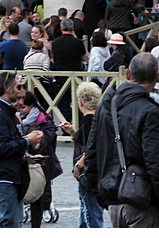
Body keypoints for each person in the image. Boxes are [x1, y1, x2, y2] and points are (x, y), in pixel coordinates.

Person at [82, 52, 159, 228]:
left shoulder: (105, 106)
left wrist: (104, 197)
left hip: (113, 198)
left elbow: (91, 153)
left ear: (127, 74)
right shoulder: (150, 112)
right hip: (141, 199)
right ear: (158, 77)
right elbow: (157, 164)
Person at [0, 72, 43, 228]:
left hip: (7, 174)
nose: (22, 91)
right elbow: (1, 148)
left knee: (5, 221)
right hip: (1, 175)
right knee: (10, 222)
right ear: (9, 89)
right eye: (19, 87)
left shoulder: (6, 113)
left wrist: (25, 151)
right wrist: (27, 140)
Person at [59, 81, 104, 228]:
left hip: (88, 174)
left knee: (91, 216)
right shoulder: (97, 119)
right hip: (95, 174)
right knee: (86, 215)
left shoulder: (89, 120)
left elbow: (91, 147)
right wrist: (73, 133)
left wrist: (79, 165)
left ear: (81, 102)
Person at [18, 89, 63, 228]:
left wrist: (36, 140)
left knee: (42, 187)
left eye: (23, 107)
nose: (21, 110)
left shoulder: (43, 118)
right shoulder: (17, 118)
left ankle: (44, 208)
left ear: (31, 106)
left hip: (42, 158)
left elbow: (50, 137)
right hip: (25, 158)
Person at [51, 18, 86, 120]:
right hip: (75, 75)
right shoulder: (78, 42)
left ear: (61, 28)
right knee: (77, 101)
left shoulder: (55, 42)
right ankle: (78, 124)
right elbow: (83, 58)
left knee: (63, 103)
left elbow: (53, 57)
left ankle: (66, 123)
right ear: (72, 28)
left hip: (60, 75)